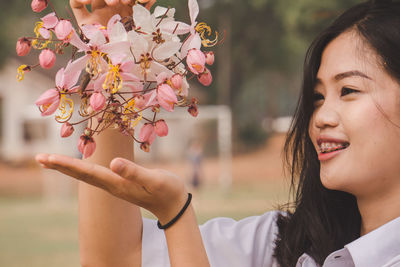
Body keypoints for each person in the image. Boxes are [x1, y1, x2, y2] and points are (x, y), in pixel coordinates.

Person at [36, 0, 400, 266]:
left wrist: (176, 216)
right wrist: (112, 46)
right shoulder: (285, 246)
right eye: (318, 97)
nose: (320, 117)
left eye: (349, 90)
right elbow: (118, 258)